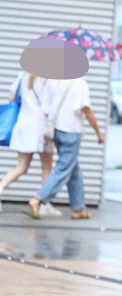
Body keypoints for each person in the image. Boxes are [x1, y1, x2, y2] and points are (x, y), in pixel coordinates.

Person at [27, 74, 103, 220]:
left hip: (57, 131)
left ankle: (78, 208)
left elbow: (46, 109)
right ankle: (38, 199)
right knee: (63, 169)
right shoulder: (80, 84)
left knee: (73, 169)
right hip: (72, 132)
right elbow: (87, 110)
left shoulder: (52, 82)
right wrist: (98, 132)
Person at [1, 73, 54, 207]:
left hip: (23, 124)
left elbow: (12, 98)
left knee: (22, 166)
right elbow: (48, 107)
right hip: (41, 127)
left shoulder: (22, 76)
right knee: (46, 167)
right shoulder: (47, 78)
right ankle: (42, 205)